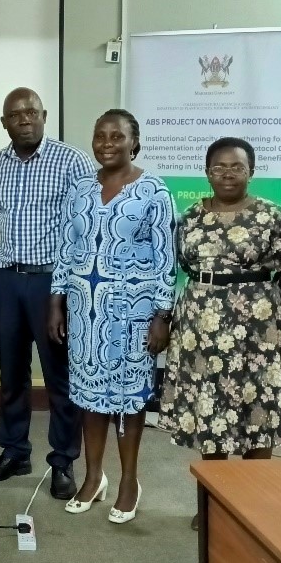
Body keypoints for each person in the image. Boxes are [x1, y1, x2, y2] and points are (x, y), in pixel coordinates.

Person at [156, 138, 281, 527]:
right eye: (218, 167)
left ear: (251, 172)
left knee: (260, 410)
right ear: (206, 173)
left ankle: (253, 504)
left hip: (258, 327)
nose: (227, 173)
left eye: (236, 167)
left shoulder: (276, 218)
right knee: (211, 412)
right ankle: (213, 504)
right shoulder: (188, 218)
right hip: (201, 327)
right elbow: (175, 267)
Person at [50, 110, 174, 524]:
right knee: (89, 398)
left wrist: (162, 315)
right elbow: (67, 249)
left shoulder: (153, 191)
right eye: (100, 135)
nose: (107, 143)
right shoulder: (81, 189)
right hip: (86, 313)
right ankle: (94, 477)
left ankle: (129, 482)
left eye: (116, 136)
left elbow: (166, 261)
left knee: (131, 402)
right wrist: (57, 301)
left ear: (133, 141)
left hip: (133, 316)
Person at [0, 87, 94, 501]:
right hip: (7, 280)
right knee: (11, 375)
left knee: (59, 377)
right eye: (15, 114)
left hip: (52, 283)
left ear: (44, 115)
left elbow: (85, 229)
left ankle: (63, 460)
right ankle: (14, 451)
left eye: (31, 111)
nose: (24, 119)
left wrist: (62, 294)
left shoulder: (72, 160)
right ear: (4, 122)